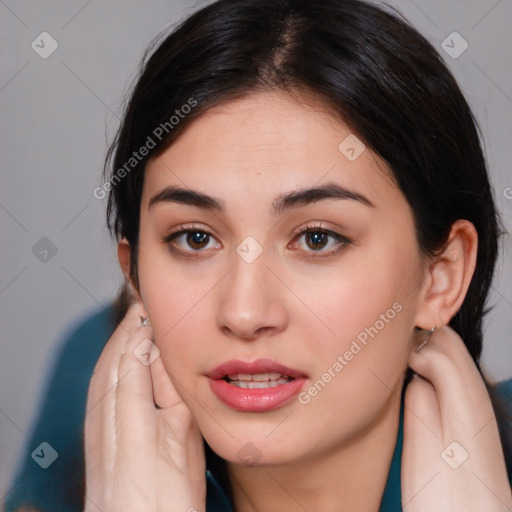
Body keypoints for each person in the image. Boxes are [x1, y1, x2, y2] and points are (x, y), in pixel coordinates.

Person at [5, 0, 512, 510]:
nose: (244, 312)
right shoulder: (82, 401)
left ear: (440, 276)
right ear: (134, 274)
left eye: (317, 238)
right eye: (195, 238)